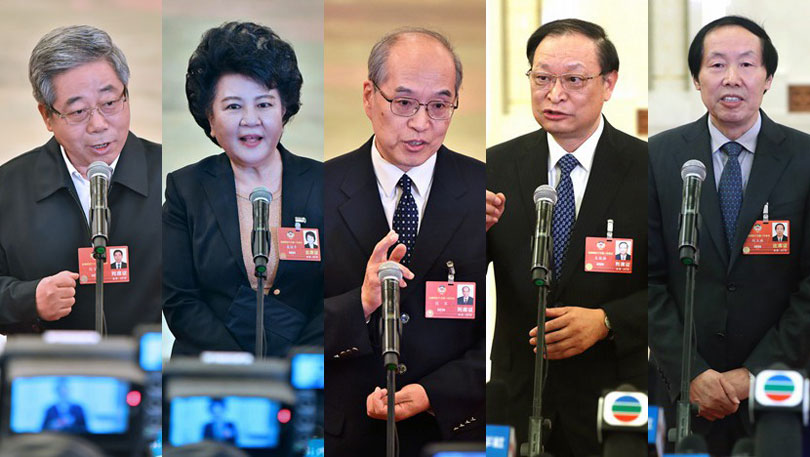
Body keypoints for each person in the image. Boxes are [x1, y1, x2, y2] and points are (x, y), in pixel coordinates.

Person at [648, 15, 810, 455]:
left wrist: (755, 373)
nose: (732, 78)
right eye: (717, 65)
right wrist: (690, 373)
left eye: (747, 64)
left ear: (768, 78)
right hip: (683, 395)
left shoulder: (804, 159)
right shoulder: (657, 158)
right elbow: (648, 280)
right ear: (697, 79)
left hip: (779, 394)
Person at [486, 19, 647, 456]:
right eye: (542, 78)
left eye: (574, 80)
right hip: (518, 397)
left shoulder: (647, 170)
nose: (554, 94)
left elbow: (677, 286)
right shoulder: (495, 168)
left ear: (608, 83)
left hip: (614, 403)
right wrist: (466, 234)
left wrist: (608, 321)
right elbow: (453, 280)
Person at [324, 27, 485, 456]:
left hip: (450, 433)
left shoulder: (484, 191)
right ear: (368, 97)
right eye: (404, 103)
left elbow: (505, 332)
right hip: (346, 435)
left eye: (439, 106)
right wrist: (359, 303)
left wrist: (436, 392)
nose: (421, 123)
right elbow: (285, 327)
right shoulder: (318, 189)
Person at [163, 22, 323, 357]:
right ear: (210, 118)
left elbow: (334, 295)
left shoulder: (323, 183)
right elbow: (179, 299)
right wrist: (240, 366)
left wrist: (292, 363)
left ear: (284, 110)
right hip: (212, 368)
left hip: (304, 369)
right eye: (233, 106)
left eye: (264, 104)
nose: (250, 120)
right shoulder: (186, 189)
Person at [0, 25, 161, 334]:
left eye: (110, 103)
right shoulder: (8, 187)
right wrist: (27, 299)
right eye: (77, 111)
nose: (98, 124)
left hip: (145, 362)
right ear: (47, 116)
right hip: (47, 363)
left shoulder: (168, 180)